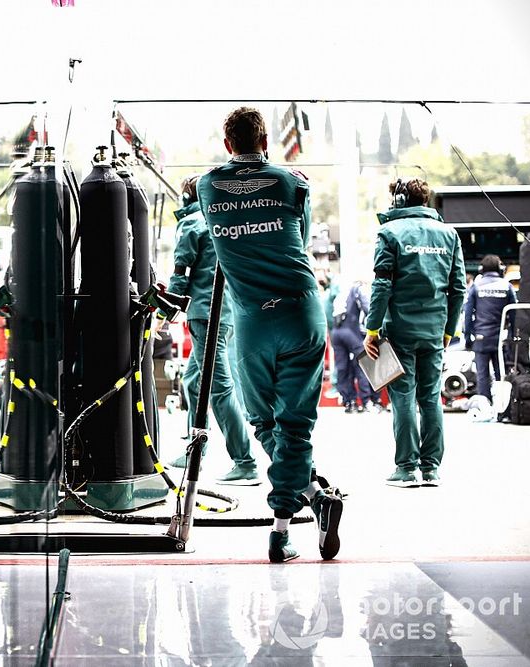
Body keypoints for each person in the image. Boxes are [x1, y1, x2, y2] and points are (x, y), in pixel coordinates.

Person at [197, 107, 343, 563]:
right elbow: (296, 233)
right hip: (301, 310)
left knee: (263, 421)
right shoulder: (293, 182)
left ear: (227, 145)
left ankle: (305, 499)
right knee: (296, 423)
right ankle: (293, 517)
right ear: (265, 143)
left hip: (252, 322)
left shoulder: (205, 186)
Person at [364, 178, 466, 487]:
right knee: (431, 396)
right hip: (434, 331)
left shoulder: (388, 232)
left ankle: (406, 468)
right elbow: (458, 288)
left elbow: (382, 284)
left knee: (404, 396)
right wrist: (448, 330)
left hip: (398, 330)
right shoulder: (450, 235)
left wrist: (372, 329)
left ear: (398, 201)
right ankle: (431, 468)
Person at [164, 175, 258, 486]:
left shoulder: (192, 223)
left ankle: (245, 461)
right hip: (227, 313)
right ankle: (197, 453)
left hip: (206, 313)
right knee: (193, 381)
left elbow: (182, 271)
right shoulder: (227, 220)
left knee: (218, 388)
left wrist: (168, 307)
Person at [464, 254, 516, 401]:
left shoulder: (476, 286)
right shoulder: (507, 286)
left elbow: (468, 315)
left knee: (482, 375)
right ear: (500, 268)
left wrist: (469, 337)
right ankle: (502, 408)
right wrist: (511, 336)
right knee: (502, 375)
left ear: (481, 269)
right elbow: (514, 315)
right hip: (501, 339)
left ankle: (485, 406)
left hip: (481, 338)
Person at [330, 279, 378, 412]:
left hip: (336, 332)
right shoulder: (359, 288)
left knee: (342, 367)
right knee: (362, 365)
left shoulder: (341, 291)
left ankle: (349, 402)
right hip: (351, 332)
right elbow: (368, 307)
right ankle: (366, 401)